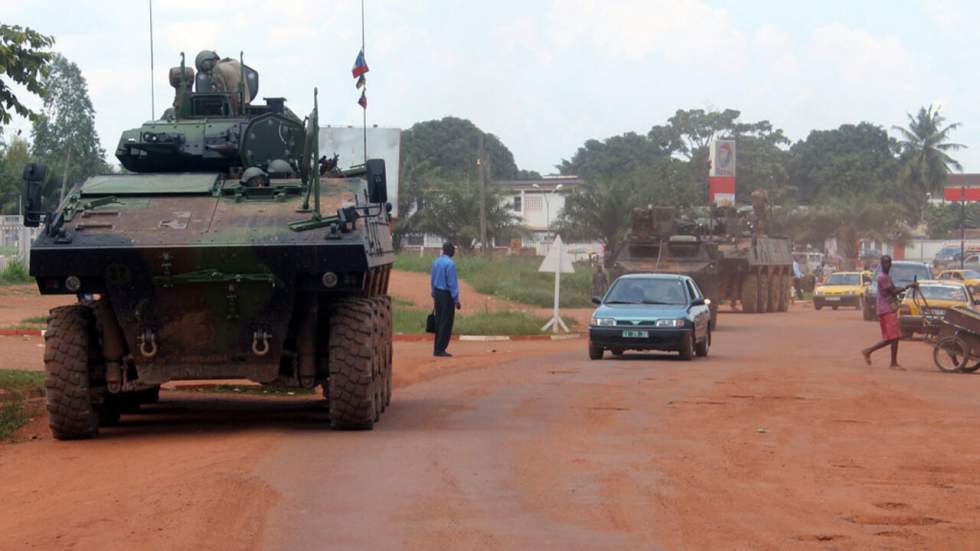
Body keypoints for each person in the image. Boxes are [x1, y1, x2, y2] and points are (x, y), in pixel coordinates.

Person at [861, 255, 917, 370]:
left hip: (886, 309)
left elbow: (893, 290)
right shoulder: (882, 277)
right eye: (886, 263)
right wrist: (908, 286)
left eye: (889, 263)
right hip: (886, 309)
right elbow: (893, 291)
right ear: (882, 264)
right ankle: (891, 362)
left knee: (891, 337)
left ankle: (870, 352)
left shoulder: (886, 276)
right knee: (894, 337)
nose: (888, 265)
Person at [431, 242, 461, 357]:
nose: (454, 251)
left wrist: (434, 293)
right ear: (450, 251)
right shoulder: (450, 264)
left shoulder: (436, 262)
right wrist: (456, 300)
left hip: (438, 294)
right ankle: (440, 349)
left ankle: (437, 347)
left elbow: (432, 279)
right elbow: (452, 283)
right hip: (446, 295)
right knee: (446, 322)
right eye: (453, 249)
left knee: (439, 321)